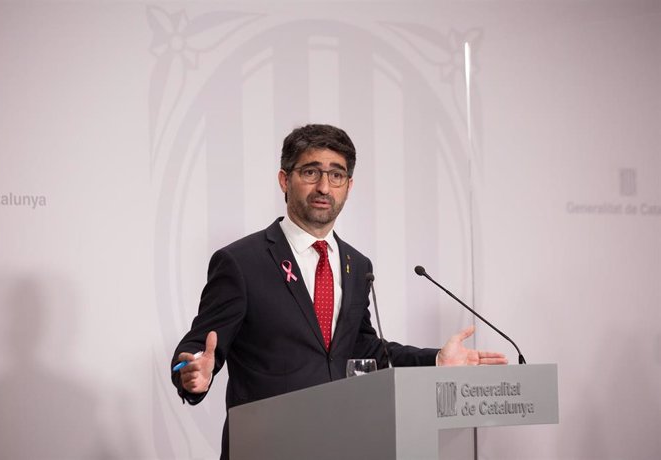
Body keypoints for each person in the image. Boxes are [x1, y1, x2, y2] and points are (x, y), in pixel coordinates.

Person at [171, 124, 507, 459]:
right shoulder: (241, 261)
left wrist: (435, 360)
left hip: (342, 443)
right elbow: (199, 345)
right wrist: (193, 370)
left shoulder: (356, 264)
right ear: (285, 180)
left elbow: (364, 348)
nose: (323, 187)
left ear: (349, 186)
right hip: (266, 446)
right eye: (310, 172)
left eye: (336, 175)